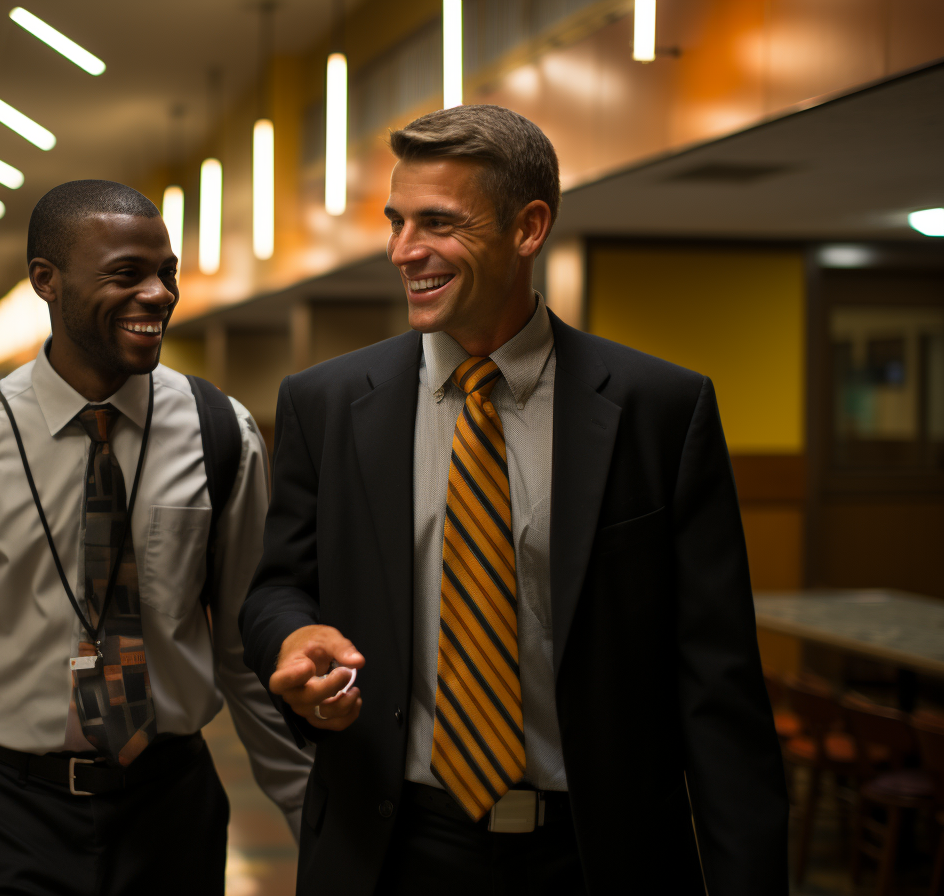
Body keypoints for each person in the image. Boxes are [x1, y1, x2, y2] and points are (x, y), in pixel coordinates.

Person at [239, 105, 788, 895]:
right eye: (396, 222)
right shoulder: (324, 404)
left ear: (529, 228)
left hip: (598, 857)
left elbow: (719, 685)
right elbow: (278, 588)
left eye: (437, 222)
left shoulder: (659, 410)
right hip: (391, 851)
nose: (403, 250)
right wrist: (289, 639)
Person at [0, 180, 311, 896]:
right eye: (126, 274)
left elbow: (247, 652)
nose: (158, 294)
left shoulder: (222, 434)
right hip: (8, 810)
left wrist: (310, 816)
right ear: (47, 282)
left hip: (170, 806)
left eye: (167, 274)